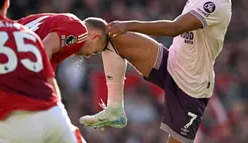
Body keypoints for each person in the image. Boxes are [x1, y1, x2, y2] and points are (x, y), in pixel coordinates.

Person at [79, 0, 232, 142]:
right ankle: (114, 109)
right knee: (116, 37)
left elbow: (175, 28)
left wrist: (129, 24)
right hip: (171, 62)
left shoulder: (216, 4)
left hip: (191, 88)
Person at [0, 0, 85, 143]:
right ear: (6, 4)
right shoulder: (29, 35)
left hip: (14, 124)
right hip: (54, 117)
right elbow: (51, 84)